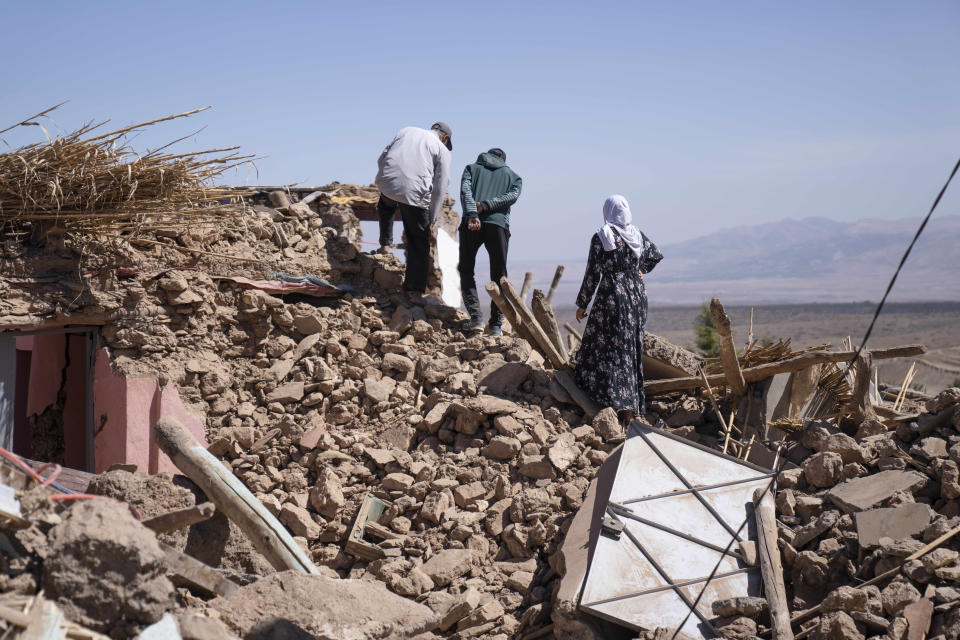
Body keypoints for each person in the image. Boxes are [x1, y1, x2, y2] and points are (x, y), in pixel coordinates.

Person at [574, 195, 662, 425]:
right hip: (637, 297)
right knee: (630, 348)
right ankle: (630, 407)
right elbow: (654, 255)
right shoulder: (637, 235)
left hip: (613, 297)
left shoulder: (603, 236)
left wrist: (583, 303)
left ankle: (611, 402)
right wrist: (638, 269)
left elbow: (593, 272)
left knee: (608, 346)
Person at [375, 122, 453, 302]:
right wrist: (431, 217)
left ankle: (385, 245)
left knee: (386, 206)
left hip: (388, 183)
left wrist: (382, 177)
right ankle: (414, 291)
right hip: (415, 193)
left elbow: (383, 157)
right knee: (419, 241)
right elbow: (441, 187)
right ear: (445, 138)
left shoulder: (406, 130)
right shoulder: (442, 149)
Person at [458, 148, 523, 335]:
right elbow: (511, 197)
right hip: (498, 226)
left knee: (466, 269)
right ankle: (495, 325)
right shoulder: (513, 176)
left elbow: (465, 192)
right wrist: (488, 205)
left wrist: (472, 213)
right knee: (499, 274)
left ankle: (476, 318)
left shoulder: (471, 169)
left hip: (471, 223)